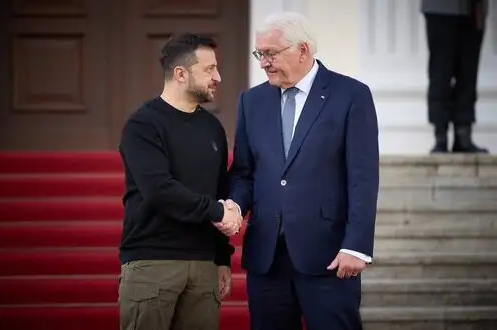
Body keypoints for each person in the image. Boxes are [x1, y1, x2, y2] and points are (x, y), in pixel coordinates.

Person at [225, 12, 379, 330]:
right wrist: (235, 205)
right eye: (260, 54)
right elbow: (243, 172)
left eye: (271, 53)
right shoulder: (251, 102)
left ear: (303, 50)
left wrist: (357, 246)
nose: (263, 62)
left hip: (330, 257)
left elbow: (362, 178)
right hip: (267, 258)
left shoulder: (351, 95)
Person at [117, 32, 243, 330]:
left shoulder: (212, 128)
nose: (219, 77)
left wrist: (222, 258)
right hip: (152, 263)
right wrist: (216, 213)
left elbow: (219, 192)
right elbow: (159, 189)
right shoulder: (143, 124)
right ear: (180, 73)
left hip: (203, 266)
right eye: (209, 69)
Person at [421, 0, 489, 153]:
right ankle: (441, 136)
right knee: (440, 73)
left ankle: (463, 135)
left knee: (468, 73)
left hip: (473, 9)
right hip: (441, 9)